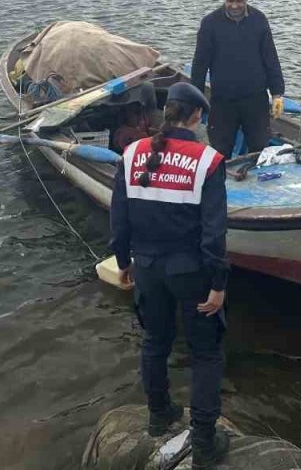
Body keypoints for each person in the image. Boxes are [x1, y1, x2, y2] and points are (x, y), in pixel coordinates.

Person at [109, 82, 230, 468]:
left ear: (167, 113)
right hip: (191, 272)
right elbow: (214, 233)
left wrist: (122, 262)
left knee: (155, 341)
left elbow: (120, 219)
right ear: (195, 117)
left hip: (147, 268)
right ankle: (206, 441)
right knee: (206, 352)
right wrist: (219, 284)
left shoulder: (131, 155)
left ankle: (159, 414)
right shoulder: (207, 161)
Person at [190, 0, 285, 157]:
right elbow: (199, 66)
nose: (234, 6)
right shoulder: (210, 23)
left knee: (260, 150)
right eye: (230, 1)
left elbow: (271, 59)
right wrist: (196, 100)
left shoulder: (259, 20)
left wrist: (277, 93)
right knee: (219, 152)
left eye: (239, 1)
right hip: (223, 101)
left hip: (255, 100)